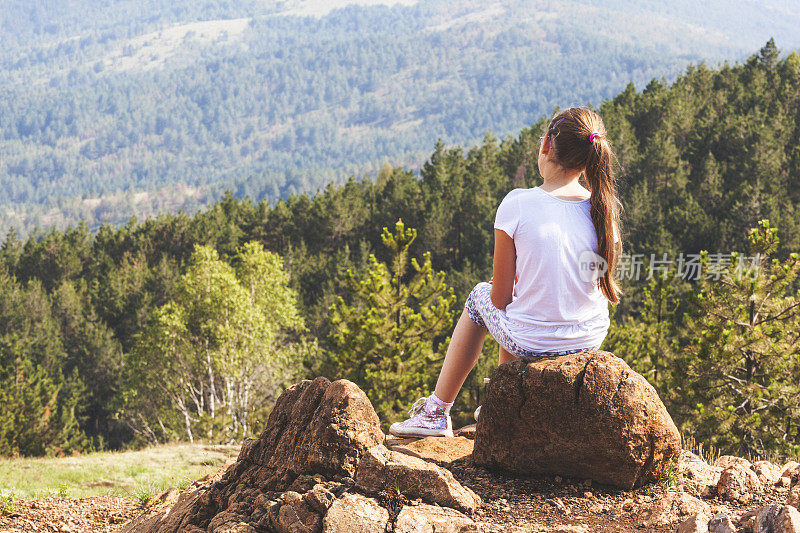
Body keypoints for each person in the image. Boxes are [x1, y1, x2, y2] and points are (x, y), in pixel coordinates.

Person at [389, 107, 622, 438]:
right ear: (588, 159)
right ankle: (503, 402)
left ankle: (437, 412)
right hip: (589, 339)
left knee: (479, 299)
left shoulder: (518, 203)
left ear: (546, 145)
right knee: (520, 305)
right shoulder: (602, 208)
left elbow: (499, 298)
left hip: (533, 342)